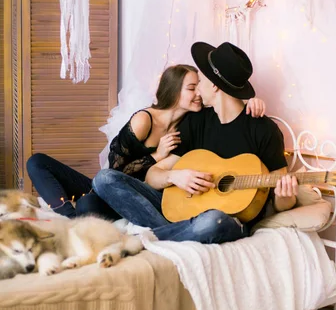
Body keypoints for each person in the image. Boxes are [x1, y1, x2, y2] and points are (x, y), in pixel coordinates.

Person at [93, 41, 298, 244]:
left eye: (201, 81)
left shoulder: (264, 130)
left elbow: (278, 199)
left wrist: (285, 197)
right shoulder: (196, 121)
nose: (198, 88)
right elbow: (153, 175)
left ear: (215, 86)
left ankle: (156, 237)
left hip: (226, 219)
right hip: (182, 210)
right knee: (105, 179)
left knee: (212, 221)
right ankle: (172, 234)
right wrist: (175, 176)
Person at [26, 63, 265, 219]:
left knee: (88, 205)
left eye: (198, 87)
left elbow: (226, 106)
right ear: (174, 91)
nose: (199, 93)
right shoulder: (145, 120)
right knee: (37, 162)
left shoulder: (195, 122)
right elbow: (115, 169)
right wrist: (156, 157)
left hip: (142, 196)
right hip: (112, 183)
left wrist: (251, 101)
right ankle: (67, 215)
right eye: (192, 88)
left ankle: (75, 215)